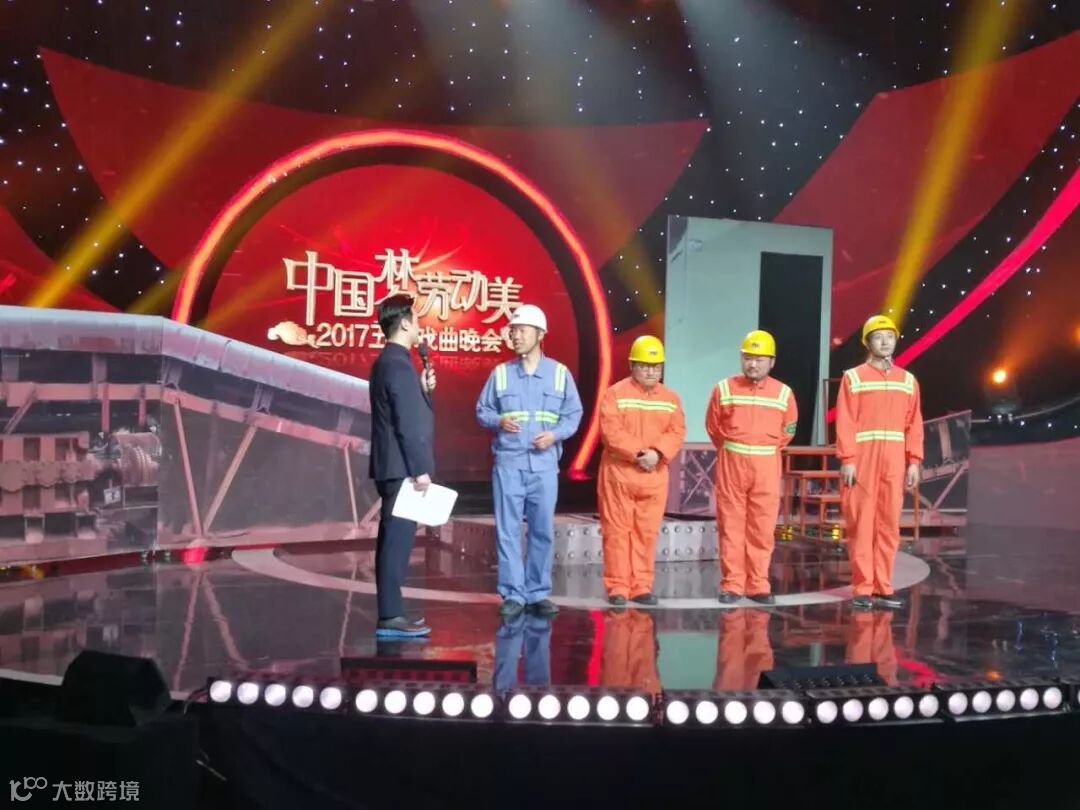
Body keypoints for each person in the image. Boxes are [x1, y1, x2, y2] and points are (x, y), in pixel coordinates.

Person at [476, 304, 583, 619]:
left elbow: (573, 414)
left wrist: (555, 435)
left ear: (540, 334)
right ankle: (513, 593)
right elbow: (482, 410)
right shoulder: (501, 374)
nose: (516, 336)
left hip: (544, 465)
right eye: (513, 331)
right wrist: (498, 420)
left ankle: (537, 592)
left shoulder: (560, 374)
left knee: (542, 531)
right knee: (507, 531)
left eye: (522, 330)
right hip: (509, 463)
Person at [836, 314, 923, 611]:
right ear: (867, 342)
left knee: (888, 525)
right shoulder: (854, 377)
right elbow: (845, 420)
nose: (885, 342)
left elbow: (914, 424)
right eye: (878, 337)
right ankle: (863, 587)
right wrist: (848, 458)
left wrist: (914, 461)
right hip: (862, 459)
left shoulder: (908, 381)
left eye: (889, 336)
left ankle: (883, 586)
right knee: (861, 524)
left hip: (894, 460)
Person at [706, 330, 798, 605]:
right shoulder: (724, 389)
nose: (753, 364)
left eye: (759, 359)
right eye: (748, 358)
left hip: (766, 466)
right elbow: (713, 426)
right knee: (731, 526)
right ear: (741, 358)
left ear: (772, 361)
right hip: (732, 464)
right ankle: (732, 584)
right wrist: (735, 447)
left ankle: (758, 584)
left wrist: (762, 447)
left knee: (762, 526)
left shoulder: (783, 393)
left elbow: (788, 430)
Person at [597, 335, 686, 606]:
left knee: (646, 533)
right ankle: (618, 587)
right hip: (620, 473)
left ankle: (641, 587)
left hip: (653, 475)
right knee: (616, 532)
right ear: (632, 365)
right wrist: (639, 454)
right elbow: (611, 431)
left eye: (656, 366)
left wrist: (657, 453)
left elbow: (677, 430)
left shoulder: (671, 398)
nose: (650, 371)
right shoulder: (615, 394)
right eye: (645, 365)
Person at [368, 294, 436, 639]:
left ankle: (391, 613)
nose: (420, 326)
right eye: (417, 319)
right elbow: (407, 424)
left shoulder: (389, 362)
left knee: (392, 541)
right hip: (401, 468)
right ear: (406, 323)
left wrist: (422, 390)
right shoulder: (397, 364)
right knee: (396, 543)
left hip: (392, 466)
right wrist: (420, 468)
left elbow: (407, 411)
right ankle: (391, 616)